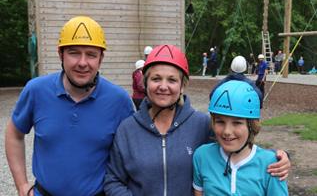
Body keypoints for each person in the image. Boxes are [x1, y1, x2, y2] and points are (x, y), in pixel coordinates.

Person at [104, 45, 290, 196]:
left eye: (172, 80)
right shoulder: (128, 129)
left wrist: (279, 157)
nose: (163, 86)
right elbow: (113, 180)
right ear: (145, 83)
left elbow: (239, 143)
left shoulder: (201, 124)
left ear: (182, 86)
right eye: (156, 79)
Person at [5, 16, 135, 196]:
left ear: (100, 58)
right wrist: (21, 185)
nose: (82, 63)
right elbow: (14, 134)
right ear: (61, 54)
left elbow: (130, 156)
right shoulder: (36, 91)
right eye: (74, 52)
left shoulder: (119, 101)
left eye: (91, 54)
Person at [193, 80, 289, 195]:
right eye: (220, 122)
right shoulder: (202, 156)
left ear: (251, 126)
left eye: (237, 123)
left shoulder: (272, 165)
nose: (227, 131)